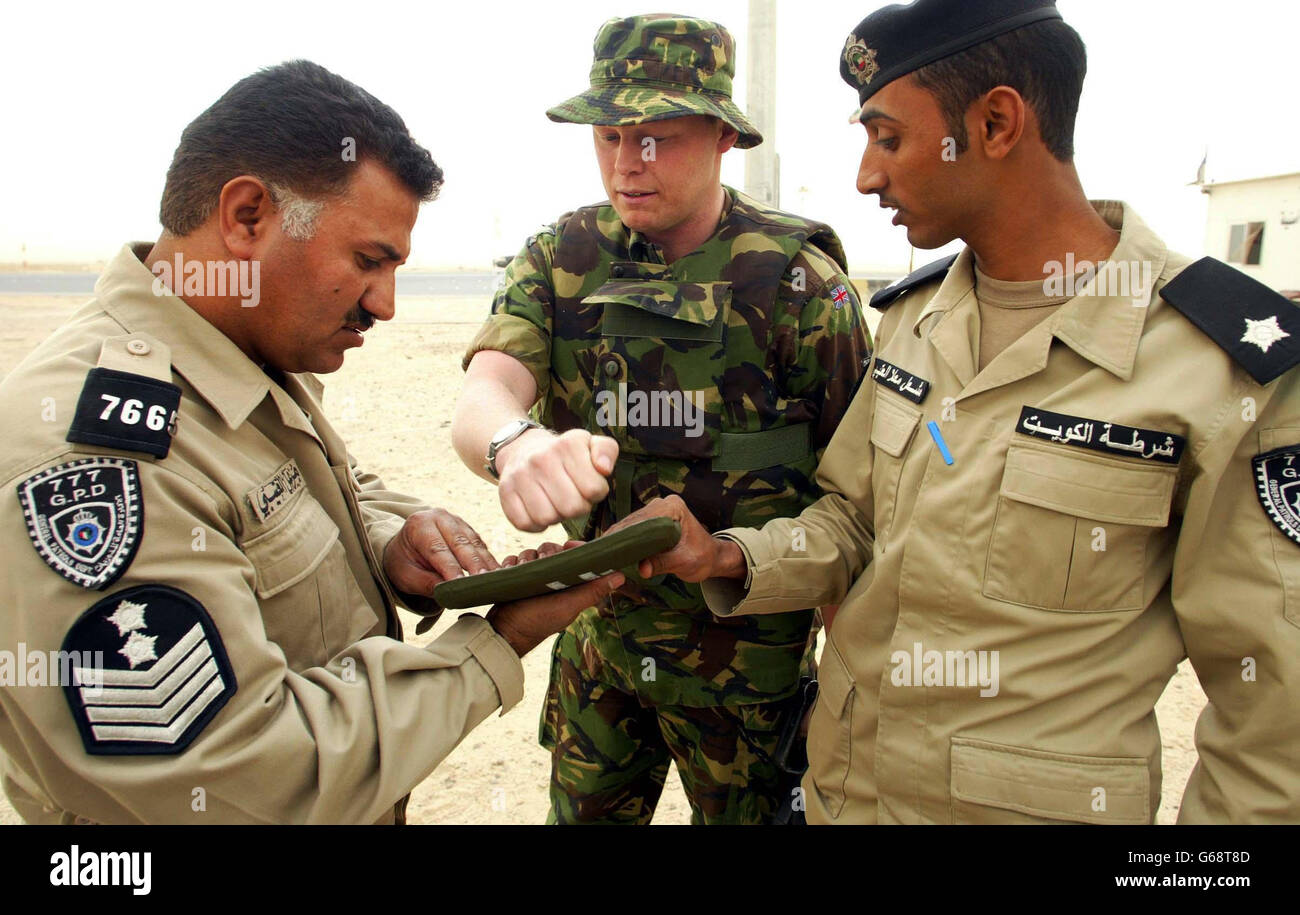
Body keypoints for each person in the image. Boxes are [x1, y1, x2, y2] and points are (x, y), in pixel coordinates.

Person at [613, 0, 1300, 823]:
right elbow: (856, 524)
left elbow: (1274, 725)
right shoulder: (915, 318)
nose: (867, 174)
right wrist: (724, 556)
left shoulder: (1218, 368)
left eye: (889, 137)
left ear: (997, 122)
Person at [0, 60, 622, 825]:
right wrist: (494, 641)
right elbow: (241, 777)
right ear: (248, 216)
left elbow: (320, 492)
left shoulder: (235, 360)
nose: (386, 305)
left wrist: (393, 540)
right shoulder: (101, 456)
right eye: (368, 261)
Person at [452, 13, 871, 824]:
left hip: (752, 679)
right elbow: (485, 387)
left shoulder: (800, 289)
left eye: (659, 137)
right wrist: (516, 442)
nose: (627, 163)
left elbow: (858, 507)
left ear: (722, 137)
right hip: (600, 655)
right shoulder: (559, 258)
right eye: (610, 135)